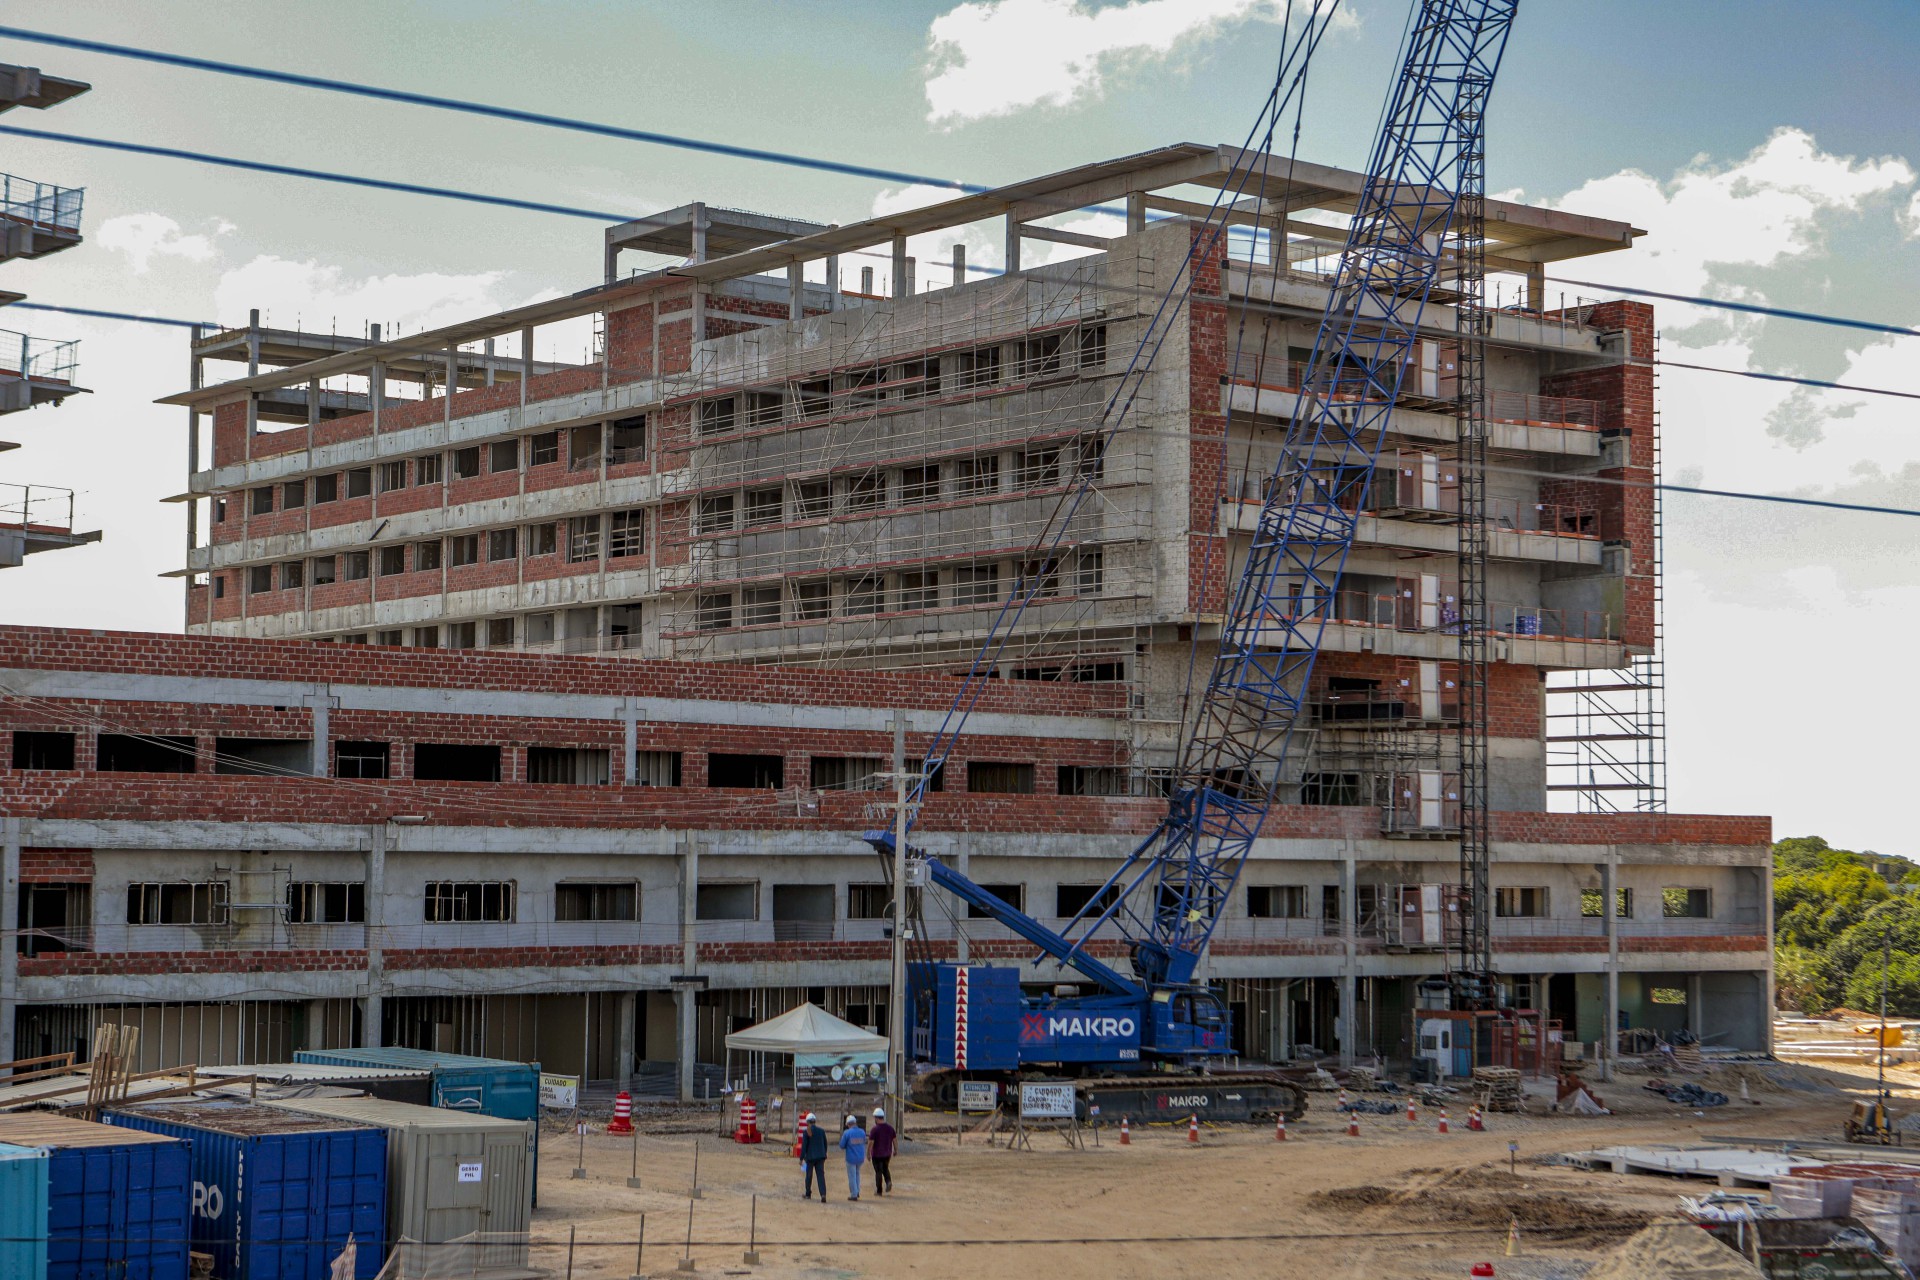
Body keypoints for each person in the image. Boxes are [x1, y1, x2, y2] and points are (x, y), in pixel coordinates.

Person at [799, 1111, 829, 1201]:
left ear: (807, 1122)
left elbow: (804, 1146)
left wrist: (801, 1158)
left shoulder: (806, 1132)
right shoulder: (821, 1131)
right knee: (820, 1175)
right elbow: (825, 1143)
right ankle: (823, 1194)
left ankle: (808, 1193)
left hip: (810, 1157)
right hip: (820, 1156)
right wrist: (824, 1153)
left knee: (809, 1175)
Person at [839, 1111, 868, 1201]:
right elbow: (864, 1141)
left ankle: (854, 1194)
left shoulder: (847, 1133)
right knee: (857, 1174)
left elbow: (842, 1145)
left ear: (848, 1124)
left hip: (851, 1158)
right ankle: (857, 1191)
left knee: (852, 1176)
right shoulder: (862, 1132)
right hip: (860, 1157)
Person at [869, 1107, 897, 1197]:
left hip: (877, 1154)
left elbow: (871, 1143)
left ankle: (879, 1190)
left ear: (876, 1118)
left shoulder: (874, 1129)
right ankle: (888, 1181)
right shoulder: (890, 1128)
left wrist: (868, 1153)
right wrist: (896, 1150)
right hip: (887, 1153)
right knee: (885, 1168)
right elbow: (895, 1140)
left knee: (878, 1172)